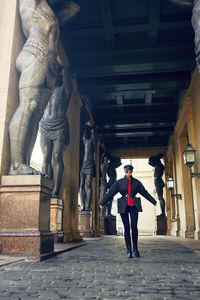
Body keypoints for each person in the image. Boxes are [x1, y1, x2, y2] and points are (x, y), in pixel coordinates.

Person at [9, 0, 80, 175]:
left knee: (36, 116)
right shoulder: (32, 5)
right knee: (28, 106)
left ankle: (23, 162)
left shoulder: (50, 13)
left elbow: (74, 8)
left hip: (49, 61)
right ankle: (16, 165)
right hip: (36, 51)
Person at [100, 165, 157, 258]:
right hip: (124, 206)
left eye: (130, 172)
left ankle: (135, 248)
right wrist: (102, 202)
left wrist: (153, 201)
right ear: (124, 172)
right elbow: (110, 193)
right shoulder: (119, 183)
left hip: (134, 206)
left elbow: (144, 192)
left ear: (132, 172)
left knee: (134, 227)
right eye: (127, 172)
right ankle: (129, 250)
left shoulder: (137, 183)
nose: (128, 174)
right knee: (126, 228)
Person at [39, 68, 72, 198]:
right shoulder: (45, 90)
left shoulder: (66, 90)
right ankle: (45, 187)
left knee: (57, 156)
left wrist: (63, 68)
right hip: (44, 125)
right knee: (46, 156)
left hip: (59, 126)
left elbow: (67, 73)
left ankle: (56, 190)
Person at [80, 125, 98, 211]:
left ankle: (88, 206)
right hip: (83, 164)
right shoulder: (84, 140)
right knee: (81, 184)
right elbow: (83, 135)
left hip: (90, 164)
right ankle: (83, 204)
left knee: (88, 184)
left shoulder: (92, 141)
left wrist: (93, 131)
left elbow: (93, 136)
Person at [148, 153, 166, 219]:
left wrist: (156, 156)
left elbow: (150, 161)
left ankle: (163, 213)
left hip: (158, 182)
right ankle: (163, 213)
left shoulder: (159, 165)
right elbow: (149, 162)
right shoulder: (158, 165)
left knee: (160, 198)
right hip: (157, 182)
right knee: (160, 198)